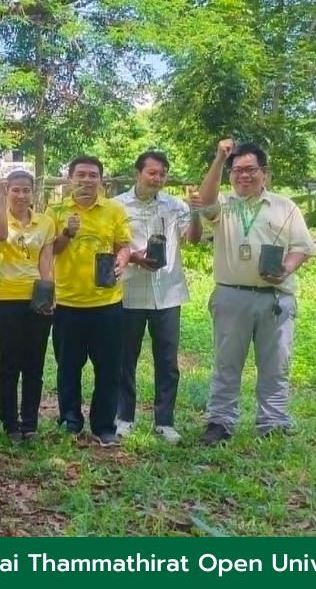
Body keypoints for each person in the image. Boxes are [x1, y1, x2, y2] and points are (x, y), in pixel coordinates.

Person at [195, 139, 316, 444]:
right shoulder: (223, 204)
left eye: (250, 169)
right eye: (237, 170)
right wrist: (219, 159)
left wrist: (285, 270)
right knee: (226, 363)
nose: (243, 176)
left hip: (276, 298)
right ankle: (220, 422)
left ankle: (273, 422)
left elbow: (302, 247)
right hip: (231, 295)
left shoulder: (285, 206)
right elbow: (203, 201)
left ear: (264, 172)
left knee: (275, 364)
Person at [112, 151, 204, 444]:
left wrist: (197, 212)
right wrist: (134, 257)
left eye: (163, 173)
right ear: (137, 173)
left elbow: (193, 238)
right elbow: (110, 245)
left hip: (167, 293)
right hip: (129, 292)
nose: (158, 178)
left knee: (167, 359)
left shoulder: (175, 205)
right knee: (125, 358)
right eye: (152, 172)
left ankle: (165, 421)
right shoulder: (116, 207)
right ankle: (123, 417)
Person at [48, 156, 132, 447]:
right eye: (80, 174)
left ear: (101, 179)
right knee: (68, 367)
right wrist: (67, 233)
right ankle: (70, 421)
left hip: (107, 303)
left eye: (93, 175)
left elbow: (123, 246)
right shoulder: (56, 210)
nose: (86, 180)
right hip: (68, 303)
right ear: (70, 178)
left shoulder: (114, 209)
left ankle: (103, 425)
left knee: (109, 369)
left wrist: (121, 262)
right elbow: (51, 250)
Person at [0, 170, 56, 442]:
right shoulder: (1, 218)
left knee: (34, 364)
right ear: (8, 190)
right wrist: (2, 202)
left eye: (25, 190)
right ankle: (10, 424)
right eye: (15, 190)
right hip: (6, 299)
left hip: (36, 299)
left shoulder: (46, 223)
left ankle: (29, 423)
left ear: (33, 192)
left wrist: (50, 295)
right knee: (9, 364)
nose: (21, 195)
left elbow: (46, 263)